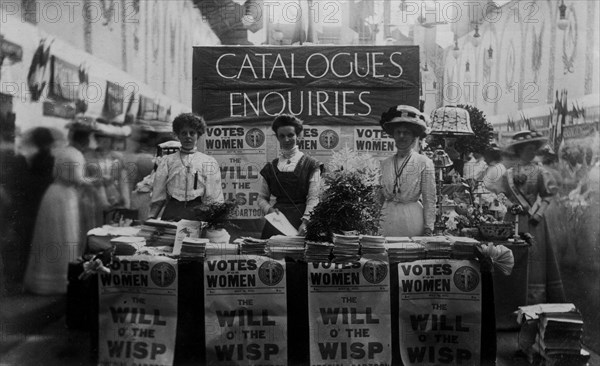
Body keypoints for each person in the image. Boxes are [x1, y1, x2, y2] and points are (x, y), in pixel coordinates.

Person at [23, 128, 93, 295]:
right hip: (64, 198)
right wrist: (94, 181)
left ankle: (43, 279)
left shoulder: (63, 151)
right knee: (63, 236)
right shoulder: (75, 154)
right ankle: (60, 280)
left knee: (50, 236)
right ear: (84, 140)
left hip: (53, 193)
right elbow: (77, 178)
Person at [499, 130, 565, 305]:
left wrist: (538, 213)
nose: (532, 152)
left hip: (534, 221)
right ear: (519, 150)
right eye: (528, 148)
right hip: (513, 220)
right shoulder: (509, 174)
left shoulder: (541, 172)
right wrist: (509, 205)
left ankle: (534, 302)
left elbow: (547, 196)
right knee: (513, 255)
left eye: (534, 148)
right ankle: (513, 300)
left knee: (535, 259)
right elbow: (502, 195)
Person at [258, 114, 323, 238]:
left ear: (298, 136)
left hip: (301, 221)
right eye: (281, 136)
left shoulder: (312, 165)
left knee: (298, 256)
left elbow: (313, 198)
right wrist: (269, 210)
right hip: (276, 223)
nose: (286, 140)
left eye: (290, 135)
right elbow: (261, 198)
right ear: (277, 138)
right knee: (270, 257)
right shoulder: (270, 167)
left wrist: (306, 222)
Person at [149, 114, 224, 221]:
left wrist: (215, 220)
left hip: (197, 213)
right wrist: (151, 217)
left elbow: (214, 195)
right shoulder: (167, 161)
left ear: (198, 135)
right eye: (183, 133)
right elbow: (158, 194)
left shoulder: (208, 161)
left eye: (192, 133)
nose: (188, 136)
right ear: (178, 136)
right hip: (172, 212)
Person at [378, 105, 436, 237]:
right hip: (388, 217)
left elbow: (429, 198)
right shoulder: (385, 164)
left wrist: (429, 227)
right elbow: (379, 197)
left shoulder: (424, 162)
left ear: (414, 136)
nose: (402, 136)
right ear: (393, 135)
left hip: (412, 218)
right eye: (398, 132)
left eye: (407, 133)